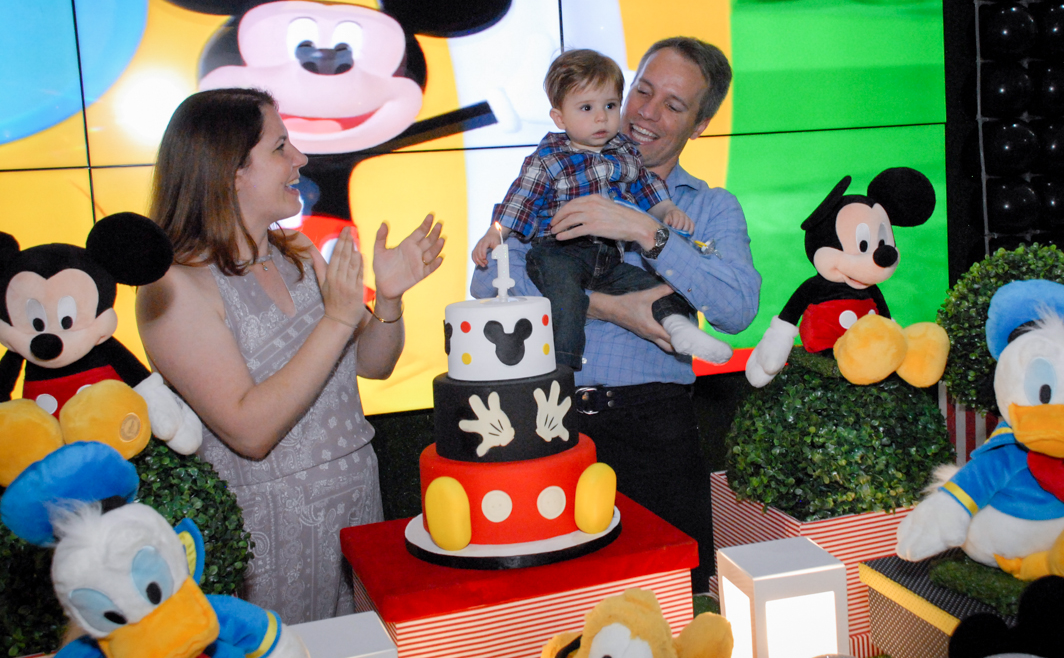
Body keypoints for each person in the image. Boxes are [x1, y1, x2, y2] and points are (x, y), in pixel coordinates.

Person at [136, 87, 444, 624]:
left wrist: (390, 299)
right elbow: (249, 431)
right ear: (231, 170)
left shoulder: (298, 252)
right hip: (266, 534)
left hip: (357, 506)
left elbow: (374, 364)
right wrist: (338, 320)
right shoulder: (174, 287)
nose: (300, 159)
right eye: (281, 147)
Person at [471, 38, 761, 590]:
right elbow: (488, 284)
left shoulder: (709, 206)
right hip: (547, 418)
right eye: (642, 92)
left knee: (675, 600)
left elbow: (736, 308)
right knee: (557, 606)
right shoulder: (556, 175)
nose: (646, 113)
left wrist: (647, 231)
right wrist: (613, 308)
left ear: (700, 125)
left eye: (673, 105)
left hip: (655, 429)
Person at [471, 48, 732, 370]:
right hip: (559, 253)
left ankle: (680, 329)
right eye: (587, 108)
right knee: (564, 294)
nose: (601, 117)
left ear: (699, 125)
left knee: (659, 288)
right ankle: (564, 364)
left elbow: (646, 186)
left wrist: (664, 213)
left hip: (607, 258)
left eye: (609, 105)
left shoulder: (627, 155)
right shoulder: (549, 158)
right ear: (560, 118)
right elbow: (521, 201)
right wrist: (495, 233)